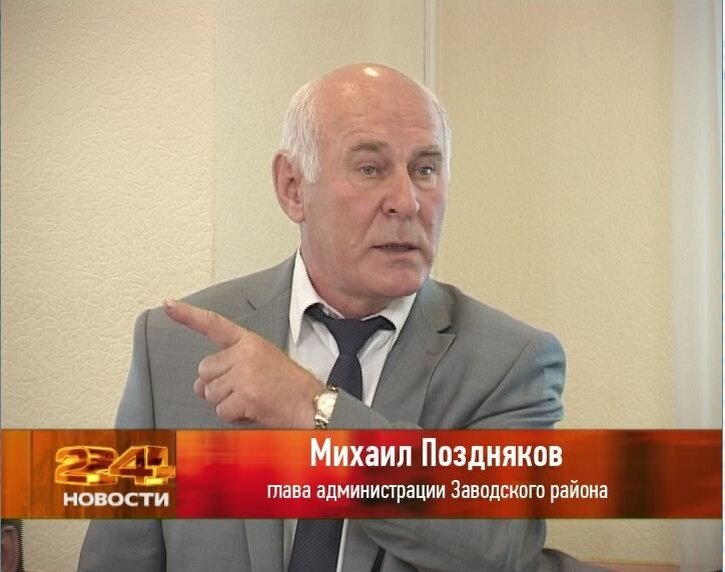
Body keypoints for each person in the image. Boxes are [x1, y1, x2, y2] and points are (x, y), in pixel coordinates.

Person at [79, 63, 593, 571]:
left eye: (425, 170)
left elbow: (498, 548)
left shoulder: (510, 363)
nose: (407, 202)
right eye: (370, 169)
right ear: (293, 188)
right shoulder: (170, 345)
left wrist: (313, 408)